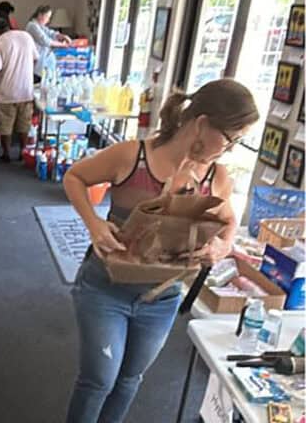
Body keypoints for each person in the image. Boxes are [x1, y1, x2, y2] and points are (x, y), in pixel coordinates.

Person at [62, 79, 260, 423]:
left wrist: (220, 246)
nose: (230, 149)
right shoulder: (133, 156)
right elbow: (74, 177)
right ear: (202, 123)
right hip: (105, 287)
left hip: (163, 296)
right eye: (230, 138)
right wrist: (94, 223)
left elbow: (229, 220)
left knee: (128, 380)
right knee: (99, 380)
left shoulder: (216, 176)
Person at [0, 18, 37, 162]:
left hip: (6, 92)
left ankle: (7, 154)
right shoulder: (26, 37)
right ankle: (22, 152)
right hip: (26, 91)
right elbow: (35, 59)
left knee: (5, 125)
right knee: (24, 124)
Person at [26, 5, 72, 83]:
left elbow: (51, 33)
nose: (48, 20)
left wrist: (63, 36)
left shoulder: (40, 26)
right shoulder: (32, 26)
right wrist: (63, 45)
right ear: (40, 15)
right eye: (47, 17)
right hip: (36, 63)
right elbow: (45, 41)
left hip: (43, 63)